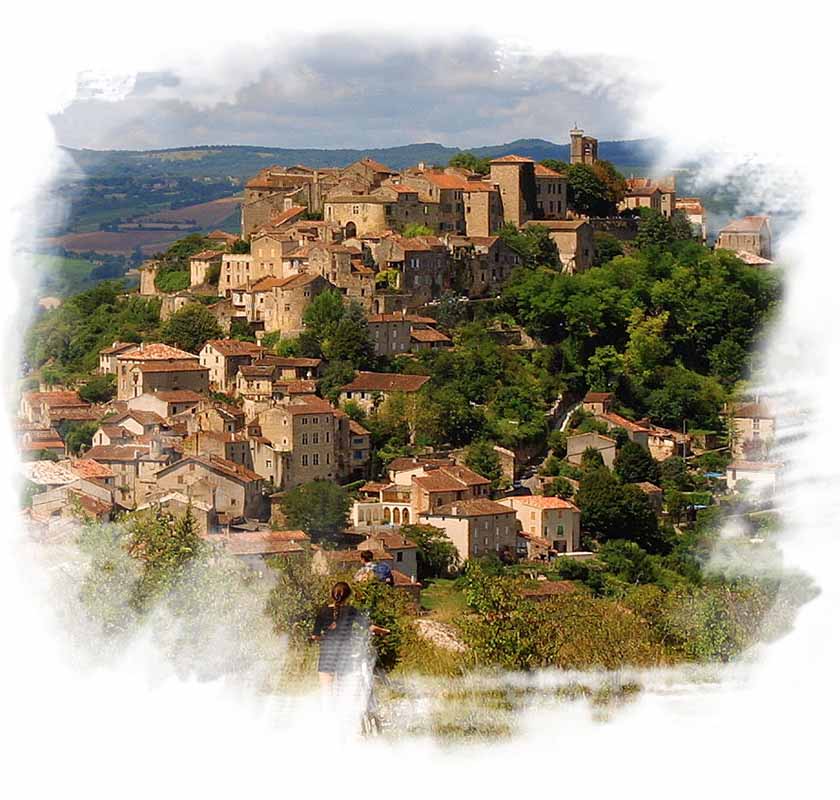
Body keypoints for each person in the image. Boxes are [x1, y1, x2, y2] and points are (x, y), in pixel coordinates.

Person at [310, 581, 389, 696]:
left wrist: (325, 638)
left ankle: (328, 713)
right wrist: (385, 631)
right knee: (342, 689)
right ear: (348, 596)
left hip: (327, 653)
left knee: (326, 691)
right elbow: (370, 627)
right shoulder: (351, 611)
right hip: (344, 653)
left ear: (332, 594)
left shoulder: (323, 611)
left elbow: (314, 636)